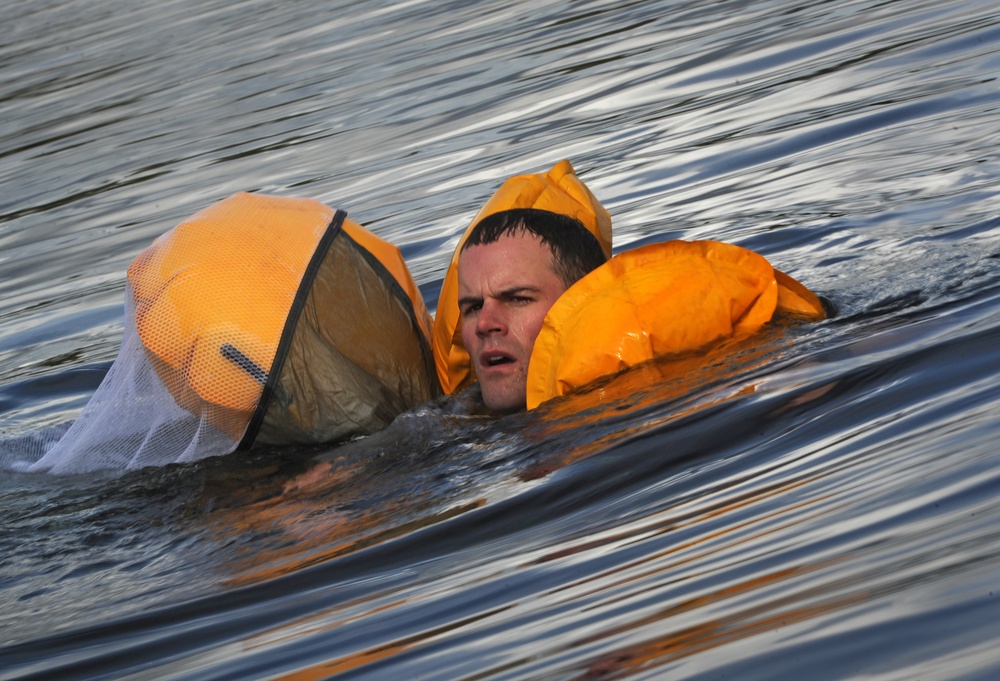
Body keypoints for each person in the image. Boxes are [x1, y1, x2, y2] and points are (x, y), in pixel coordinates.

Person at [456, 208, 608, 413]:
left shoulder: (641, 409)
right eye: (474, 307)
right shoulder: (441, 426)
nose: (484, 324)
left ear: (585, 306)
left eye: (518, 299)